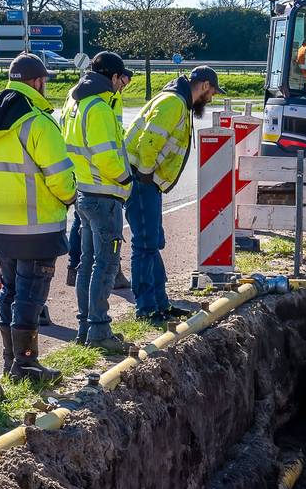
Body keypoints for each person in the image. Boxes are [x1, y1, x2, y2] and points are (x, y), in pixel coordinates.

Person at [0, 52, 76, 382]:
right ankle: (27, 364)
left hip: (0, 226)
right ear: (37, 82)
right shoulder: (39, 122)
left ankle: (10, 362)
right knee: (31, 296)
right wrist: (71, 196)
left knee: (8, 292)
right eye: (44, 81)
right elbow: (59, 177)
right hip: (38, 227)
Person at [124, 65, 224, 321]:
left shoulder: (176, 101)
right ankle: (146, 309)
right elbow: (149, 141)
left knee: (153, 242)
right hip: (142, 180)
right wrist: (146, 174)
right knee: (145, 244)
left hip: (147, 181)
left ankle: (161, 303)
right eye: (211, 92)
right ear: (203, 85)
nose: (211, 98)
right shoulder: (174, 104)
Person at [60, 52, 133, 353]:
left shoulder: (74, 101)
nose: (121, 86)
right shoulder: (99, 108)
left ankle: (84, 327)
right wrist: (125, 178)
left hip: (84, 193)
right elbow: (105, 155)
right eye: (120, 80)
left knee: (87, 263)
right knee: (105, 264)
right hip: (106, 194)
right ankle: (100, 331)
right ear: (113, 78)